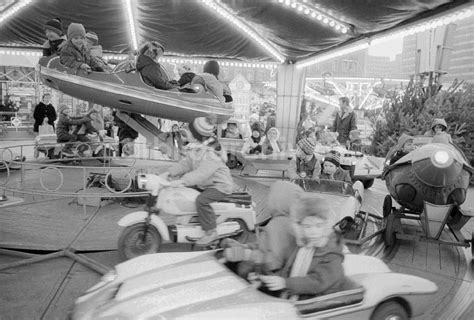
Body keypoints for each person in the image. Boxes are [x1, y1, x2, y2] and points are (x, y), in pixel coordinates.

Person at [258, 195, 345, 299]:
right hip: (300, 297)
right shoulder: (301, 246)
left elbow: (318, 282)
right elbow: (288, 271)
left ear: (326, 226)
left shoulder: (332, 254)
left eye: (319, 225)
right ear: (299, 227)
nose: (313, 232)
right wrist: (267, 281)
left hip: (322, 302)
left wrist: (286, 283)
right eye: (307, 226)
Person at [166, 116, 234, 246]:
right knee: (184, 192)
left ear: (197, 134)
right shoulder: (197, 147)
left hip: (219, 185)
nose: (186, 131)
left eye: (189, 130)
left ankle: (211, 232)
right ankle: (192, 220)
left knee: (201, 201)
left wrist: (183, 181)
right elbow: (186, 164)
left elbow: (201, 174)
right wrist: (170, 172)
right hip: (206, 183)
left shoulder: (211, 152)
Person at [223, 181, 304, 276]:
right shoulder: (282, 221)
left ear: (278, 201)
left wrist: (246, 254)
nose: (267, 201)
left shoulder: (279, 225)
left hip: (268, 275)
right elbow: (265, 245)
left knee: (235, 267)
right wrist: (244, 246)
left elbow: (274, 262)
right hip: (265, 270)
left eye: (270, 197)